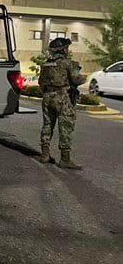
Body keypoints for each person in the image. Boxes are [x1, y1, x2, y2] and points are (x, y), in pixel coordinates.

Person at [38, 37, 86, 169]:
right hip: (63, 98)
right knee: (65, 126)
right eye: (67, 48)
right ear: (63, 49)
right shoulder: (68, 63)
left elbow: (41, 83)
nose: (67, 50)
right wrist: (84, 77)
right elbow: (77, 80)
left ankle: (45, 154)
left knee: (47, 124)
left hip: (48, 97)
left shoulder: (45, 64)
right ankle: (65, 159)